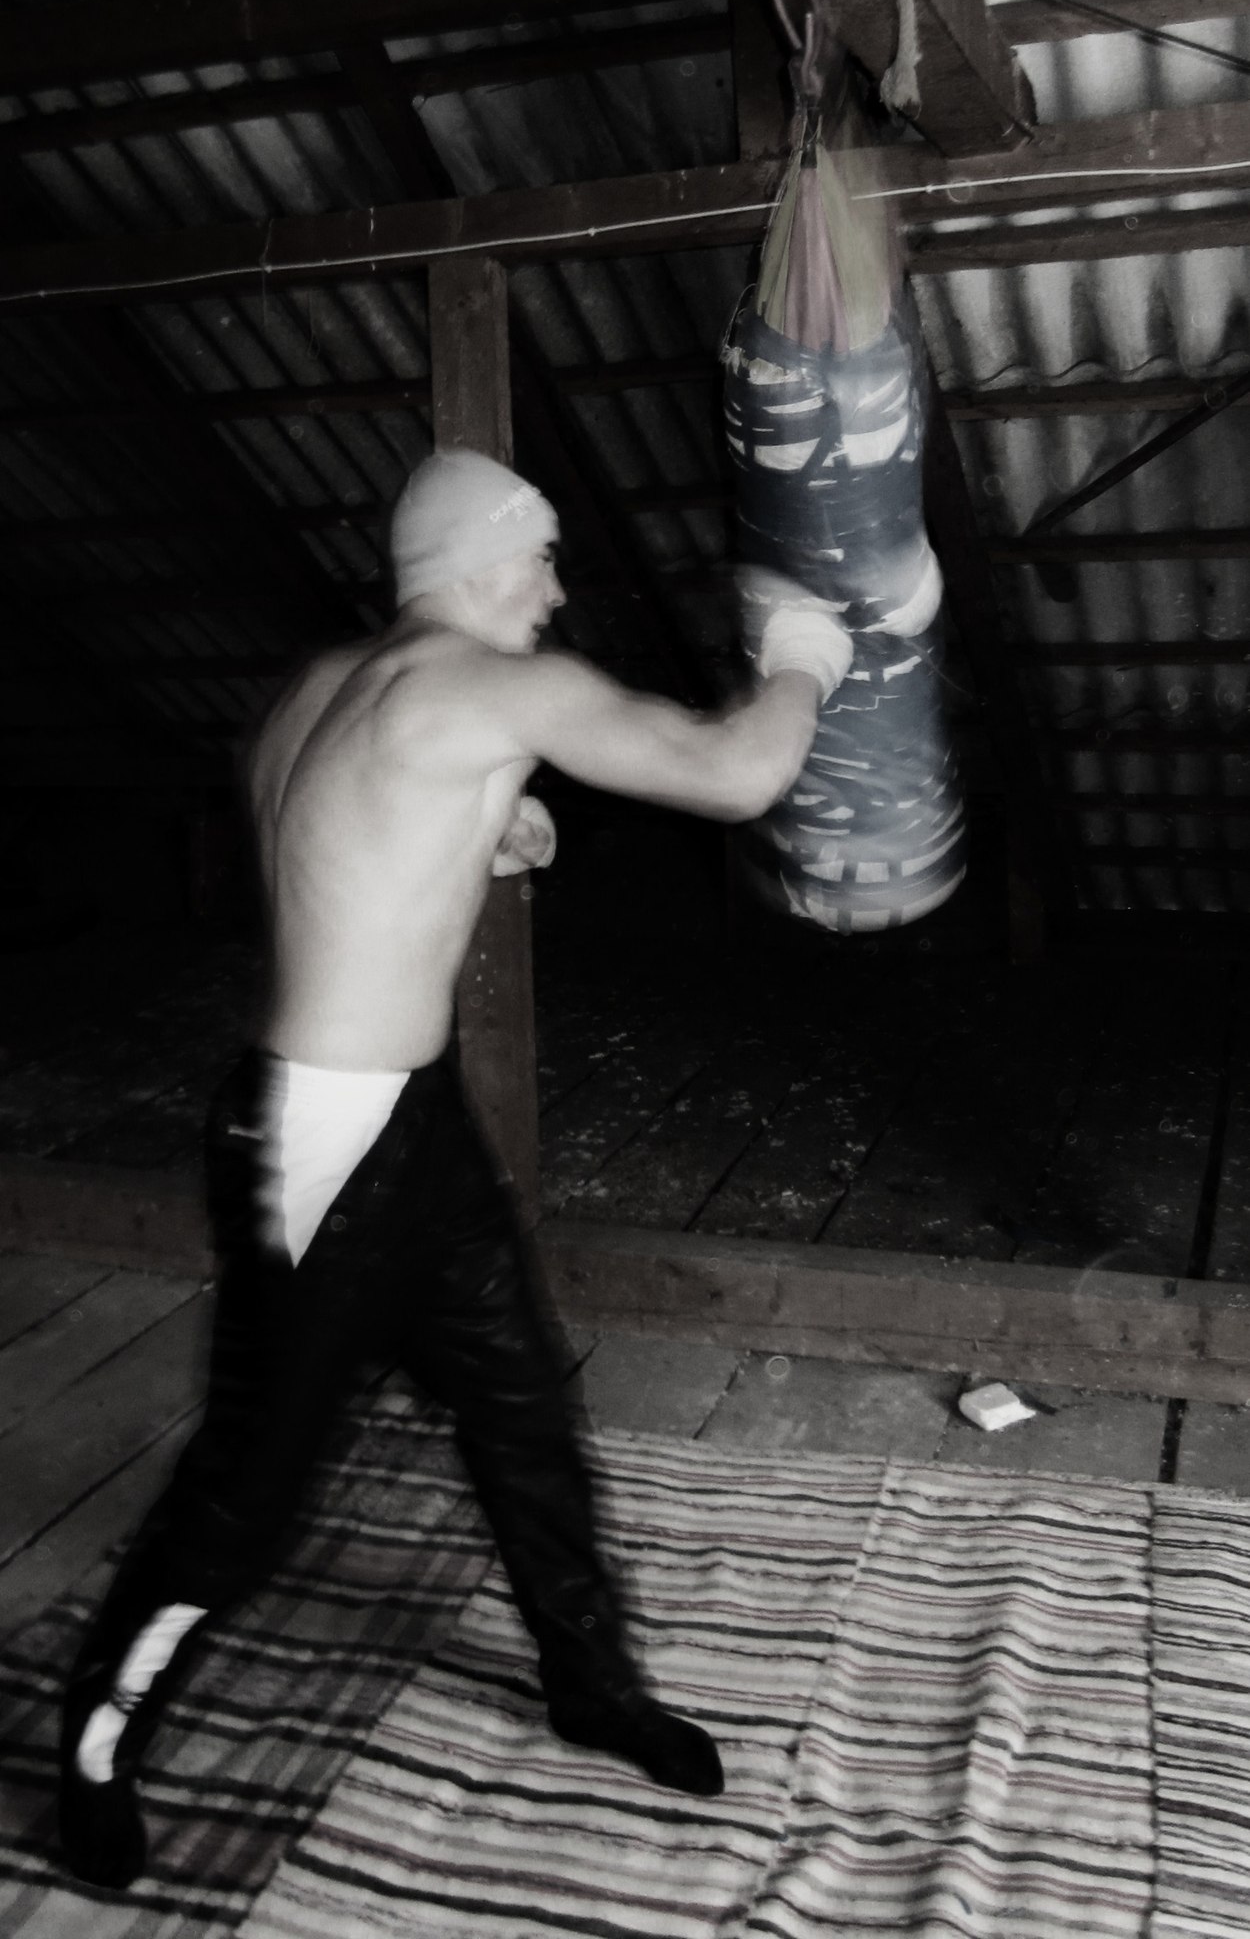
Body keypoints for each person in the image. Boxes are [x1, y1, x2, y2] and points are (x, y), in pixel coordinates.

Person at [58, 447, 854, 1889]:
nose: (552, 592)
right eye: (539, 559)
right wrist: (803, 655)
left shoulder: (324, 685)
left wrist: (484, 823)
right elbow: (740, 775)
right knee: (250, 1491)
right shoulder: (496, 687)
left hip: (399, 1121)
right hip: (324, 1143)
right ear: (480, 561)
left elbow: (330, 828)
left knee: (521, 1404)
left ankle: (590, 1686)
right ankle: (95, 1742)